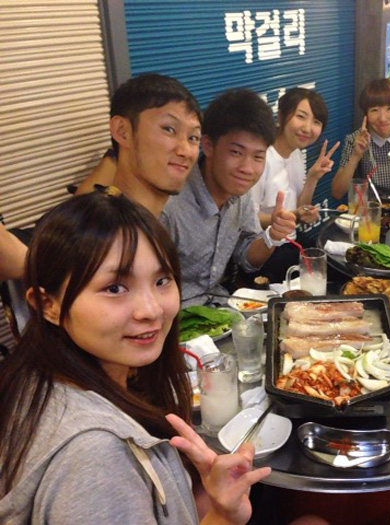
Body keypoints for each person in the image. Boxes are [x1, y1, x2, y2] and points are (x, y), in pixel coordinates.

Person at [0, 192, 270, 524]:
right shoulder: (97, 458)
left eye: (161, 280)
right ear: (49, 305)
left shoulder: (36, 377)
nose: (151, 310)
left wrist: (222, 512)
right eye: (115, 288)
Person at [161, 88, 297, 306]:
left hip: (221, 305)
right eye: (236, 152)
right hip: (175, 316)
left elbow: (247, 257)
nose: (247, 168)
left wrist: (272, 236)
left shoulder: (240, 194)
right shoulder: (169, 206)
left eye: (258, 157)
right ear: (208, 145)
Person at [75, 73, 202, 217]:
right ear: (122, 131)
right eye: (169, 129)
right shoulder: (98, 227)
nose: (185, 151)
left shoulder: (162, 221)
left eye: (193, 138)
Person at [249, 87, 339, 232]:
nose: (307, 128)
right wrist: (286, 217)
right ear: (281, 116)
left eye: (316, 122)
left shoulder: (296, 154)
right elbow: (246, 220)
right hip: (263, 243)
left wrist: (312, 178)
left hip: (290, 238)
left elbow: (299, 209)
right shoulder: (260, 159)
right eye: (301, 117)